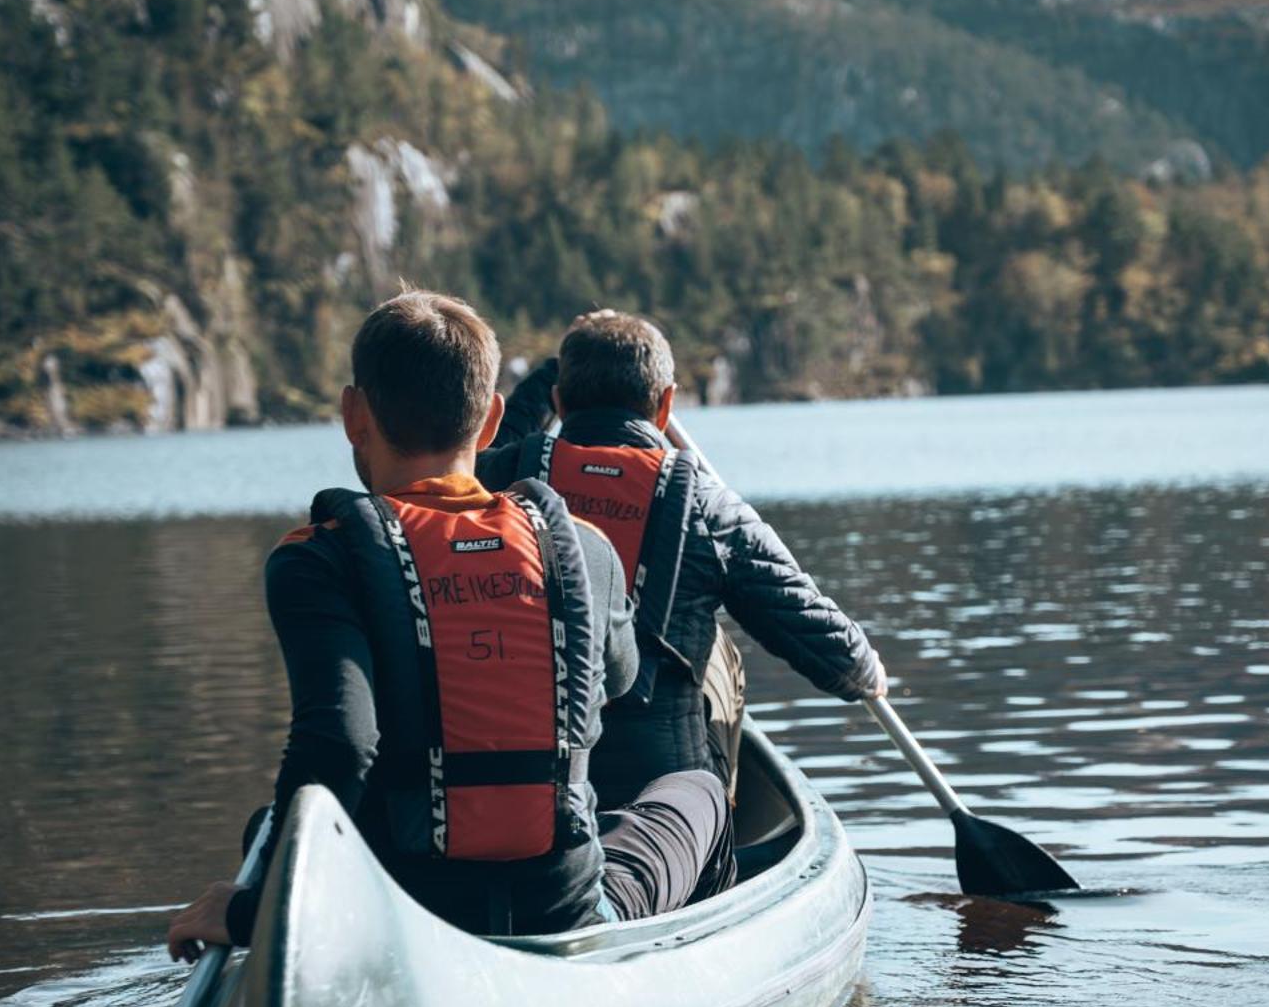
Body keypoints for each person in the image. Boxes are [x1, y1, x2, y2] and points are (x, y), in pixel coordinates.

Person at [167, 292, 733, 960]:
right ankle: (682, 971)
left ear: (354, 415)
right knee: (700, 791)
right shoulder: (582, 547)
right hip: (563, 910)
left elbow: (340, 746)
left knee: (270, 828)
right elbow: (616, 682)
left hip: (399, 910)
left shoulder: (317, 558)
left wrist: (259, 909)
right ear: (492, 420)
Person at [478, 310, 886, 810]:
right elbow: (823, 644)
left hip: (532, 782)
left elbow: (492, 440)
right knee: (720, 650)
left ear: (559, 403)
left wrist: (552, 369)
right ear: (667, 405)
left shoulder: (501, 477)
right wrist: (865, 667)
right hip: (658, 795)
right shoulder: (705, 504)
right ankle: (719, 829)